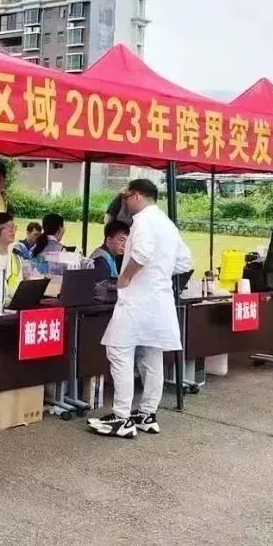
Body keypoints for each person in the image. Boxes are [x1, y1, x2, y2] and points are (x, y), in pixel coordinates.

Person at [89, 178, 192, 439]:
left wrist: (125, 277)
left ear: (135, 195)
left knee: (119, 351)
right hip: (159, 300)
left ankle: (122, 416)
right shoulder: (167, 224)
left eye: (126, 198)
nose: (124, 203)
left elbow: (142, 254)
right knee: (151, 355)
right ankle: (147, 413)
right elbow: (184, 262)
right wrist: (159, 272)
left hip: (137, 300)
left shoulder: (143, 221)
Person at [0, 213, 22, 300]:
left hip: (12, 304)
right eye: (7, 227)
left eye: (13, 226)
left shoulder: (16, 258)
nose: (12, 230)